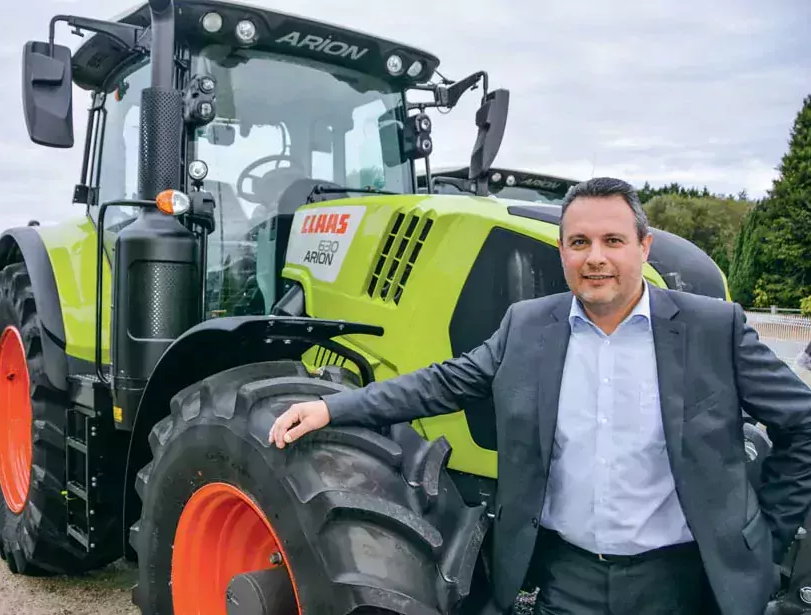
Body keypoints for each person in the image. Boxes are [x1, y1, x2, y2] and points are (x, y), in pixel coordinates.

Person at [268, 177, 811, 615]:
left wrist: (762, 531)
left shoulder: (711, 328)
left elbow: (803, 424)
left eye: (613, 241)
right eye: (580, 243)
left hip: (680, 582)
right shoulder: (527, 326)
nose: (595, 258)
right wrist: (332, 406)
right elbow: (443, 382)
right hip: (565, 579)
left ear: (643, 246)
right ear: (563, 251)